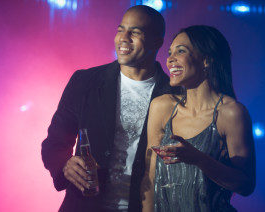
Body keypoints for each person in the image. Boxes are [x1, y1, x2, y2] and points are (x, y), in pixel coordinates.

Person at [41, 5, 174, 212]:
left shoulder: (175, 94)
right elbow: (54, 142)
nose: (123, 37)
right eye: (121, 29)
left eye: (135, 32)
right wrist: (65, 164)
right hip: (84, 205)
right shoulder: (85, 81)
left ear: (157, 41)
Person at [141, 25, 256, 212]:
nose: (170, 60)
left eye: (181, 51)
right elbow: (150, 175)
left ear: (206, 60)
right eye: (170, 52)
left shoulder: (231, 113)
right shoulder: (162, 106)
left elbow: (245, 185)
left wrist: (198, 159)